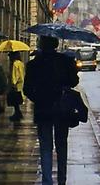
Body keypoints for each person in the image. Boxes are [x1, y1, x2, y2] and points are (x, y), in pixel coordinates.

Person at [23, 36, 79, 185]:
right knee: (61, 145)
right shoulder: (65, 61)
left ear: (41, 44)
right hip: (62, 108)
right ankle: (62, 180)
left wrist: (39, 98)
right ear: (55, 44)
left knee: (45, 146)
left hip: (43, 109)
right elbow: (74, 81)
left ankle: (47, 181)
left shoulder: (34, 64)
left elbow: (27, 89)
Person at [8, 51, 25, 121]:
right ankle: (17, 113)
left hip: (16, 84)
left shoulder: (15, 63)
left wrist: (13, 83)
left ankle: (17, 113)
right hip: (21, 83)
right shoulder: (21, 63)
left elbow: (15, 75)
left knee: (15, 100)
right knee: (17, 99)